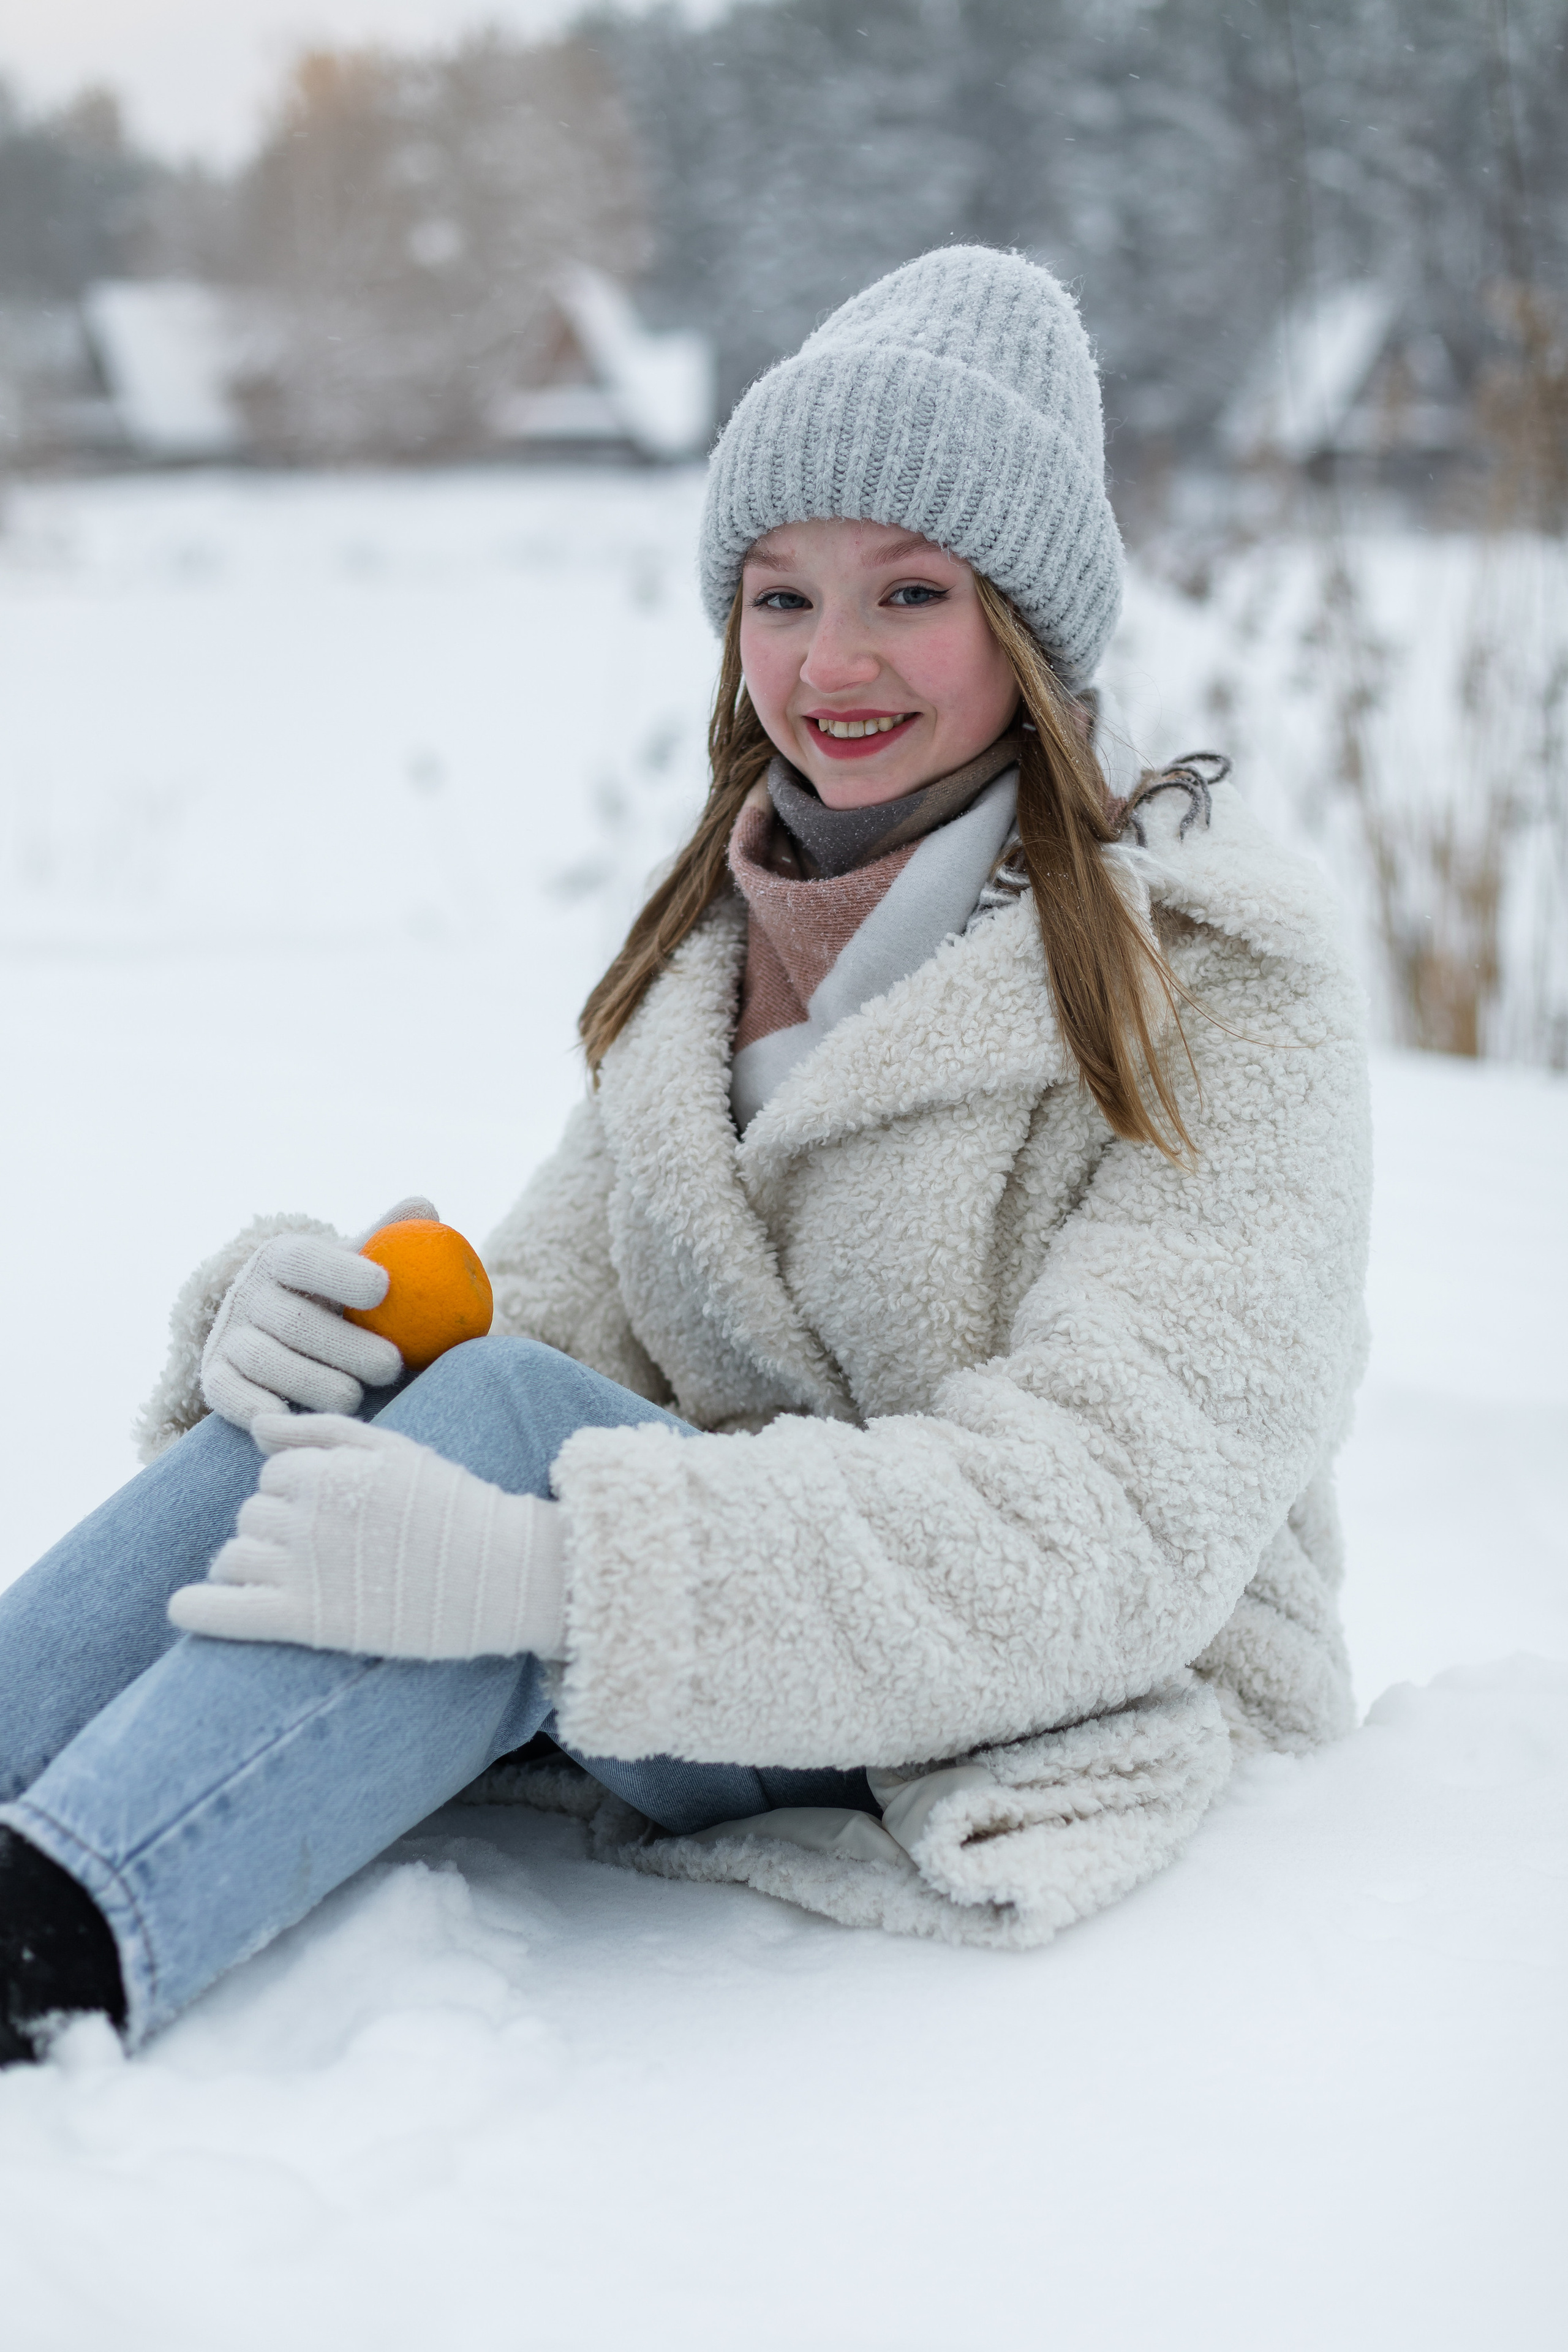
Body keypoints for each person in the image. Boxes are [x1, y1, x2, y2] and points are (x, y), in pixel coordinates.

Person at [0, 247, 1370, 2063]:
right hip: (749, 1668)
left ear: (1028, 632)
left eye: (912, 591)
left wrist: (558, 1574)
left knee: (490, 1436)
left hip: (1068, 1705)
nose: (835, 662)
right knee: (414, 1385)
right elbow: (542, 1334)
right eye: (781, 595)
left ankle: (48, 1948)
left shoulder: (1216, 996)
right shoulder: (714, 970)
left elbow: (1107, 1531)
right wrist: (297, 1337)